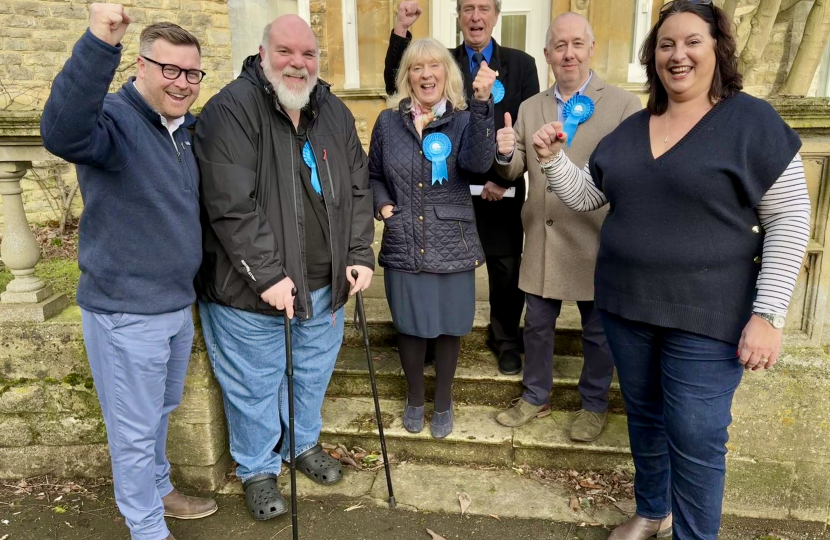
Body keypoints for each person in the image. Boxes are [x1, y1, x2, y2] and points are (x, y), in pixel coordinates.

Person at [537, 1, 810, 539]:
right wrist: (551, 161)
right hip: (626, 307)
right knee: (645, 419)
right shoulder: (632, 129)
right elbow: (591, 195)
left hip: (708, 317)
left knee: (697, 435)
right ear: (653, 57)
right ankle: (652, 511)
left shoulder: (750, 121)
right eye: (665, 45)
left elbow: (790, 218)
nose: (677, 54)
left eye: (692, 42)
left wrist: (769, 314)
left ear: (717, 49)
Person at [40, 4, 217, 540]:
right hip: (124, 313)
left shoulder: (182, 130)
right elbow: (63, 131)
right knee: (133, 432)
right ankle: (145, 529)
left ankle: (158, 491)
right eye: (170, 70)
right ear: (140, 66)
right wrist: (99, 40)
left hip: (172, 306)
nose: (183, 83)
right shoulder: (114, 122)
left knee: (159, 412)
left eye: (192, 73)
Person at [194, 15, 375, 522]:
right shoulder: (230, 110)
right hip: (251, 291)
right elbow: (230, 203)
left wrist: (359, 254)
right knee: (254, 383)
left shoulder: (333, 112)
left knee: (311, 375)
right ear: (263, 52)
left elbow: (358, 189)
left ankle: (300, 444)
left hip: (327, 285)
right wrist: (269, 274)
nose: (298, 63)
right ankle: (256, 468)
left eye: (308, 54)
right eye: (286, 52)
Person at [493, 13, 641, 442]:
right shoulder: (529, 107)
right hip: (543, 236)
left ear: (590, 49)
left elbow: (631, 174)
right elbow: (513, 170)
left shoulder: (624, 106)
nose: (569, 53)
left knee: (599, 333)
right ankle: (534, 396)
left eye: (577, 43)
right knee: (536, 327)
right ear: (547, 55)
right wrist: (504, 154)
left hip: (598, 239)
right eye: (560, 45)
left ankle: (593, 405)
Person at [384, 0, 538, 375]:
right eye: (468, 7)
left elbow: (525, 124)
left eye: (484, 8)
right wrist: (402, 31)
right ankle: (435, 338)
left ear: (496, 15)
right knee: (441, 269)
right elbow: (397, 82)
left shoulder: (521, 63)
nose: (476, 16)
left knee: (505, 268)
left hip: (500, 187)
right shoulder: (442, 60)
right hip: (447, 190)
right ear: (458, 16)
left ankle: (504, 339)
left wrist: (501, 178)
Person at [370, 37, 496, 439]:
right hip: (403, 235)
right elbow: (373, 175)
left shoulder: (462, 118)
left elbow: (478, 163)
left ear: (448, 73)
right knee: (409, 324)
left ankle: (442, 400)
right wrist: (384, 206)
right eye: (417, 68)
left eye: (434, 67)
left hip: (451, 239)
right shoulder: (388, 122)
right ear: (407, 76)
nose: (426, 75)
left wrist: (481, 106)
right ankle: (413, 398)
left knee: (447, 326)